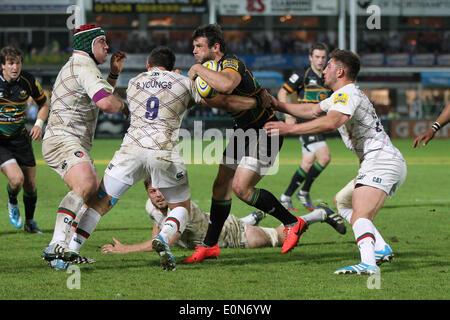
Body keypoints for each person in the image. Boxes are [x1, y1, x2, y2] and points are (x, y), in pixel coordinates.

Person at [57, 46, 264, 271]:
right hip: (163, 150)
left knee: (99, 203)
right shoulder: (184, 83)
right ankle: (164, 238)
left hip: (131, 150)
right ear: (173, 66)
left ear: (148, 65)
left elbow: (115, 98)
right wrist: (254, 102)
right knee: (181, 207)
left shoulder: (136, 81)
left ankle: (72, 249)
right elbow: (215, 101)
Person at [264, 49, 407, 275]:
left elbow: (332, 122)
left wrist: (289, 128)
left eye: (329, 65)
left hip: (382, 161)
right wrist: (279, 105)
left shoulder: (347, 94)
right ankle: (380, 248)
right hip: (380, 161)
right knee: (343, 202)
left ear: (340, 71)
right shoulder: (339, 95)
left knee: (361, 214)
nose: (325, 69)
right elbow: (311, 110)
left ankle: (369, 264)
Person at [183, 24, 306, 264]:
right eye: (194, 47)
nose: (194, 51)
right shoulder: (212, 70)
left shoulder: (231, 64)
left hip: (266, 129)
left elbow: (228, 86)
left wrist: (197, 70)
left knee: (241, 188)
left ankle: (292, 222)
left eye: (199, 46)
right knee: (221, 185)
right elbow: (224, 102)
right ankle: (209, 245)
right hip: (244, 131)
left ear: (215, 47)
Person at [41, 24, 128, 265]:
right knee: (87, 184)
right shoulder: (83, 66)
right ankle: (56, 244)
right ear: (90, 45)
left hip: (67, 140)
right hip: (63, 139)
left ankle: (62, 255)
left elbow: (97, 96)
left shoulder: (80, 67)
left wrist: (112, 76)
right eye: (102, 42)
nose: (107, 46)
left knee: (92, 197)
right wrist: (126, 106)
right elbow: (107, 104)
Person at [101, 177, 284, 254]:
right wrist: (154, 237)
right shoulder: (151, 205)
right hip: (209, 223)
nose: (157, 195)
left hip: (233, 234)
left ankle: (305, 219)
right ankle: (255, 218)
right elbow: (157, 221)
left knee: (279, 236)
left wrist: (125, 249)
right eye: (152, 191)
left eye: (162, 190)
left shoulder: (180, 210)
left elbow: (165, 243)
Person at [0, 46, 50, 233]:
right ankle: (12, 201)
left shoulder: (27, 81)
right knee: (17, 180)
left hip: (21, 138)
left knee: (30, 185)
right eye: (11, 63)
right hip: (1, 141)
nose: (15, 67)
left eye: (18, 63)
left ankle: (30, 222)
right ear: (2, 66)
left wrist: (38, 124)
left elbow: (44, 104)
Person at [278, 43, 332, 212]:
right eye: (316, 57)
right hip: (305, 122)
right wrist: (288, 115)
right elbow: (282, 92)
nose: (320, 60)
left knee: (307, 163)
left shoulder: (328, 77)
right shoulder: (302, 75)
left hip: (319, 123)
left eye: (323, 57)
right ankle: (304, 191)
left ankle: (286, 197)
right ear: (310, 58)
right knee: (324, 157)